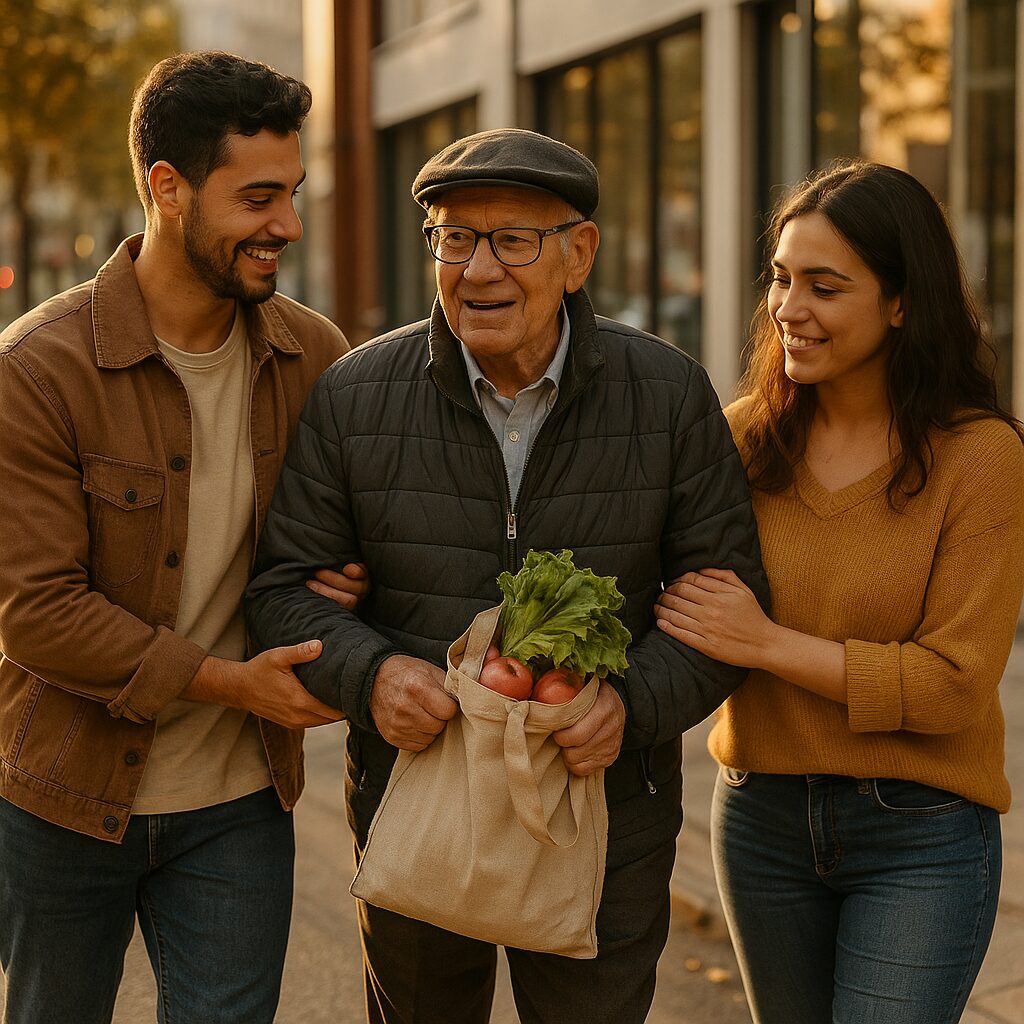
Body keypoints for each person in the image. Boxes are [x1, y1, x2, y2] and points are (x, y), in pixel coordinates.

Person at [244, 127, 769, 1024]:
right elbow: (282, 593)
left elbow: (727, 608)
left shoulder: (669, 395)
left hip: (601, 816)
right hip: (418, 807)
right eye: (454, 239)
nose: (478, 270)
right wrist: (372, 676)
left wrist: (630, 704)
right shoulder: (357, 395)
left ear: (579, 254)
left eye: (513, 241)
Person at [0, 51, 366, 1024]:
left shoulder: (315, 356)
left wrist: (348, 589)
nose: (287, 225)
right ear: (167, 189)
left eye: (291, 194)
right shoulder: (37, 370)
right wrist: (231, 682)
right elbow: (36, 615)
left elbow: (353, 541)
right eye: (258, 198)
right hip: (60, 795)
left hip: (238, 802)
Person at [654, 160, 1024, 1024]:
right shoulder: (744, 438)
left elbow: (953, 685)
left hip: (921, 830)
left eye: (825, 287)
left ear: (902, 302)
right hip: (760, 818)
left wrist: (765, 643)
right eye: (780, 279)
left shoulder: (982, 458)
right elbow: (644, 581)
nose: (789, 308)